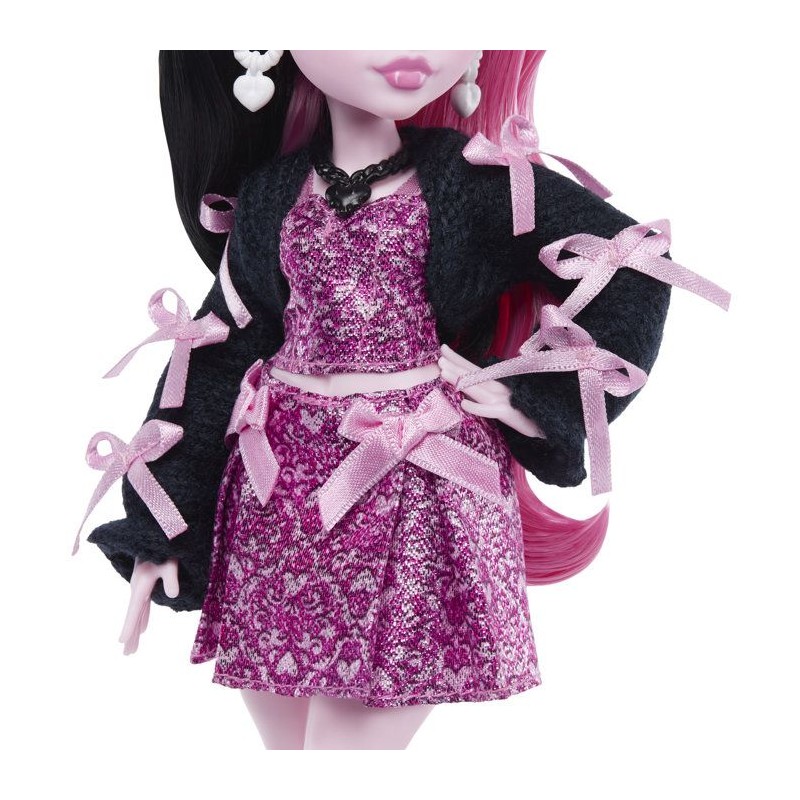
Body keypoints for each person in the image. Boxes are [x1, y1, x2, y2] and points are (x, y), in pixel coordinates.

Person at [79, 50, 727, 750]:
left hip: (413, 483)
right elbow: (218, 349)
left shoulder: (476, 182)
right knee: (288, 744)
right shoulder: (270, 193)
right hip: (277, 503)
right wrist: (161, 527)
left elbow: (632, 264)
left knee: (346, 750)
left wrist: (534, 395)